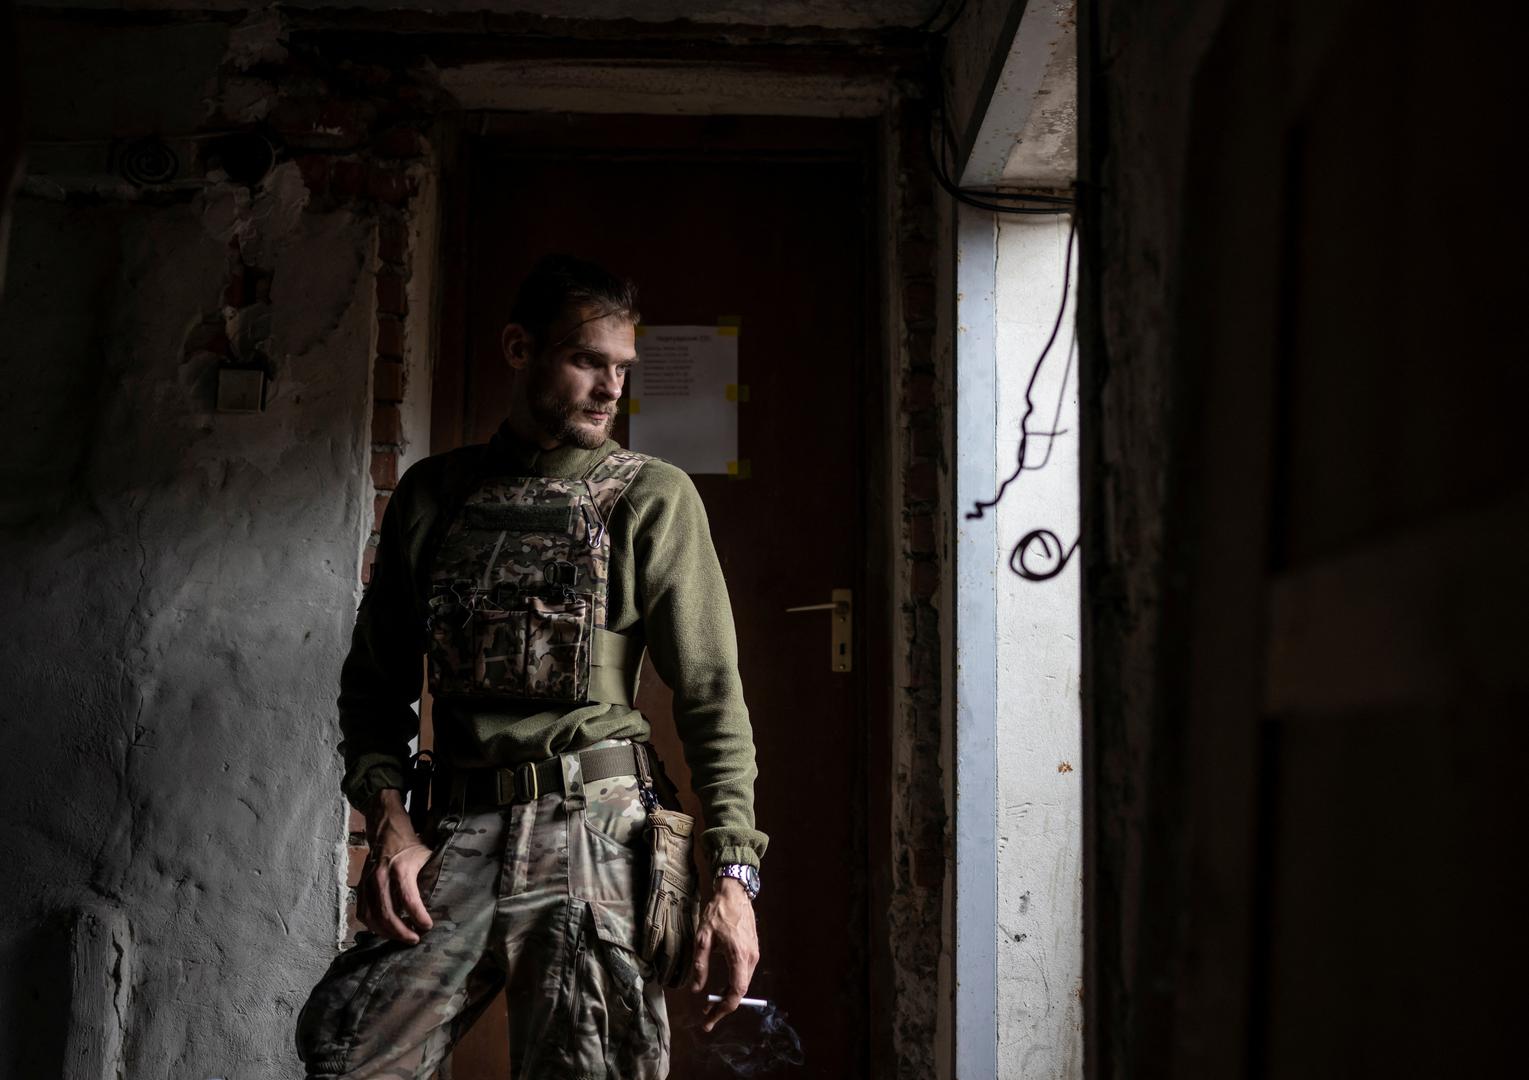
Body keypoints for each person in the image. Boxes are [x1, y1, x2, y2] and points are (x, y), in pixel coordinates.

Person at [296, 255, 767, 1080]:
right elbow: (374, 684)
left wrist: (734, 876)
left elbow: (711, 697)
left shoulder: (650, 496)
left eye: (622, 368)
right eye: (587, 361)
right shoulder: (433, 494)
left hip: (595, 828)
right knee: (347, 1050)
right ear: (519, 349)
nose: (611, 390)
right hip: (456, 825)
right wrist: (388, 820)